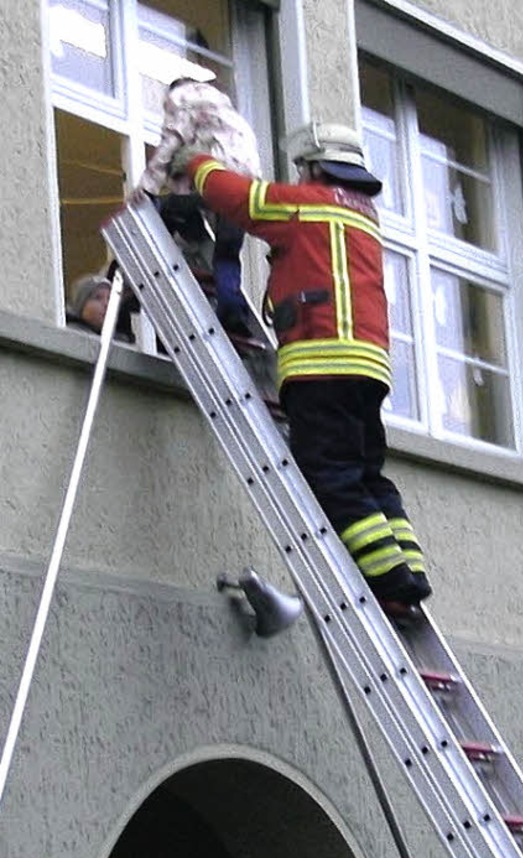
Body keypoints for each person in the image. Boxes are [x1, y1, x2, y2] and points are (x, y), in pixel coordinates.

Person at [169, 120, 431, 610]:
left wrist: (198, 165)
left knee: (327, 470)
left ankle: (388, 580)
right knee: (367, 473)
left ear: (314, 165)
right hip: (369, 369)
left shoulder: (307, 203)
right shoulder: (363, 216)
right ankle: (410, 571)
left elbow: (243, 200)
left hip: (321, 361)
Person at [130, 75, 261, 335]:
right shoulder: (227, 113)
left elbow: (172, 141)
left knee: (166, 210)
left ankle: (144, 265)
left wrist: (148, 187)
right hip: (246, 187)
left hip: (215, 175)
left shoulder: (182, 98)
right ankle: (233, 311)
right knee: (226, 253)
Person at [66, 272, 135, 342]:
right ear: (79, 306)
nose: (107, 304)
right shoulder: (69, 336)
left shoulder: (121, 342)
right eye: (97, 298)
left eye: (110, 298)